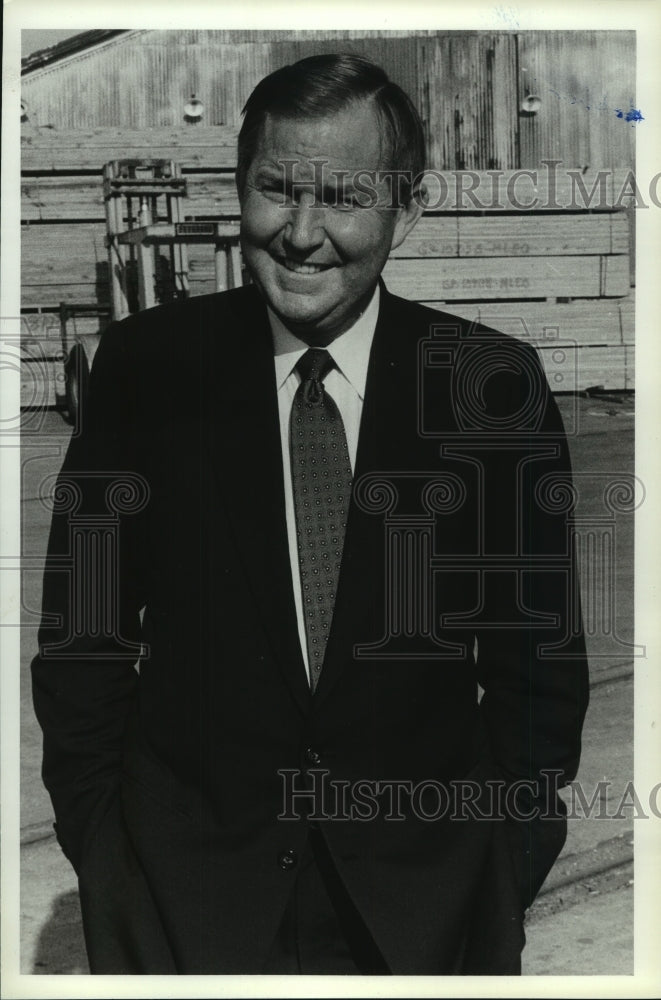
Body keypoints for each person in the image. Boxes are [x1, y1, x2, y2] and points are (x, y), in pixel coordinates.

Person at [31, 53, 589, 975]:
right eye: (276, 190)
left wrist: (494, 866)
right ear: (240, 187)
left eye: (341, 197)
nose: (300, 234)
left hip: (424, 911)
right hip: (185, 909)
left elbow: (539, 679)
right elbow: (81, 640)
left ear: (405, 210)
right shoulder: (144, 373)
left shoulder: (491, 388)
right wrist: (110, 856)